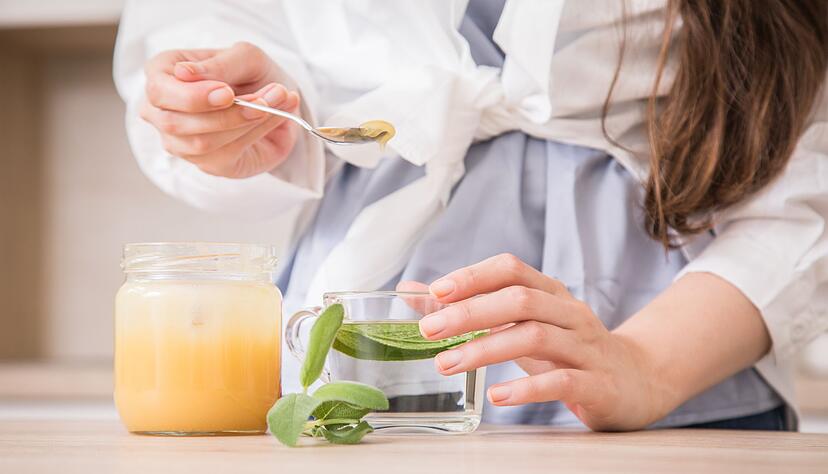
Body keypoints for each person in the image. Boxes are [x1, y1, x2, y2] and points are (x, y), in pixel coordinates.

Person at [114, 0, 828, 431]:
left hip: (689, 376)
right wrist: (232, 112)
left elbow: (808, 184)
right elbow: (206, 23)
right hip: (355, 386)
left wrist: (645, 366)